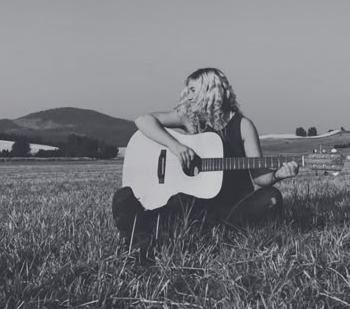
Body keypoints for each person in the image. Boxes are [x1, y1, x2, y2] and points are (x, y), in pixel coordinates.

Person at [112, 67, 298, 249]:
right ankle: (145, 234)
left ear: (210, 90)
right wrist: (175, 146)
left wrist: (277, 175)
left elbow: (259, 177)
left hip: (233, 203)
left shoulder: (243, 126)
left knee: (272, 197)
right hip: (196, 201)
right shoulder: (188, 118)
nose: (187, 95)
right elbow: (142, 120)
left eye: (193, 90)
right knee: (178, 201)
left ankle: (142, 228)